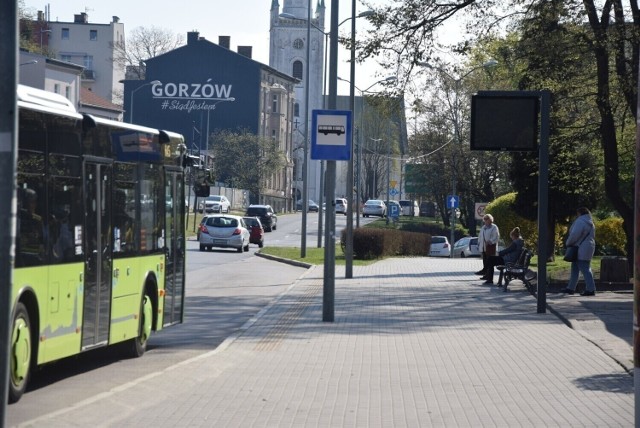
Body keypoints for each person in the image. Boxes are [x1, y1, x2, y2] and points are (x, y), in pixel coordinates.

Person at [561, 207, 597, 296]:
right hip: (588, 246)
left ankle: (590, 289)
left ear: (579, 213)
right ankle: (571, 287)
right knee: (576, 268)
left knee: (584, 268)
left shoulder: (580, 221)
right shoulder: (591, 223)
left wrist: (568, 242)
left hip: (580, 247)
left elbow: (575, 234)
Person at [475, 214, 500, 278]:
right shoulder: (483, 227)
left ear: (490, 220)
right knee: (485, 261)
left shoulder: (494, 227)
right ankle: (486, 274)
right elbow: (480, 236)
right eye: (485, 219)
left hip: (490, 247)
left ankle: (488, 275)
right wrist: (479, 243)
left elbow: (496, 237)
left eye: (487, 219)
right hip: (483, 247)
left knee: (489, 262)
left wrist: (490, 241)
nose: (486, 220)